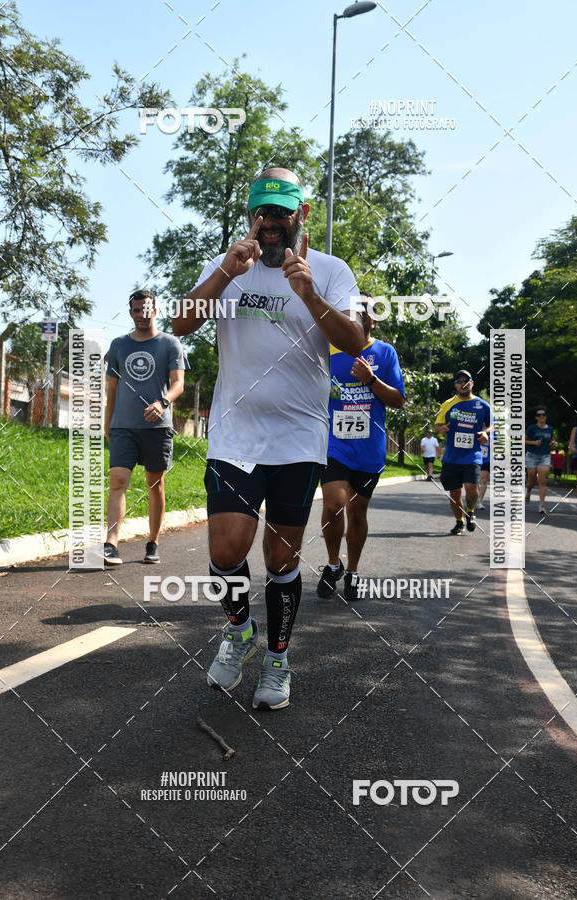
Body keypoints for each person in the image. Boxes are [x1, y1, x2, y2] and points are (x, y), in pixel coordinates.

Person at [173, 167, 363, 710]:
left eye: (281, 212)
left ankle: (278, 660)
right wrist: (223, 274)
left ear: (302, 213)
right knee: (225, 550)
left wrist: (310, 295)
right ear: (250, 214)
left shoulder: (330, 270)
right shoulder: (229, 264)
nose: (271, 222)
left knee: (281, 560)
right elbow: (181, 324)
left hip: (299, 439)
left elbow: (354, 341)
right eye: (262, 212)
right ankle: (239, 631)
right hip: (235, 436)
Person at [317, 296, 404, 602]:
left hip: (369, 448)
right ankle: (333, 564)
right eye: (352, 309)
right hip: (334, 443)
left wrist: (371, 379)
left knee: (357, 512)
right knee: (333, 504)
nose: (357, 313)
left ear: (373, 320)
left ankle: (352, 571)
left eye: (363, 310)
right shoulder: (328, 351)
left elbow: (398, 400)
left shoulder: (385, 352)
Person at [104, 289, 188, 565]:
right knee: (118, 481)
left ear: (155, 310)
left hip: (157, 427)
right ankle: (111, 544)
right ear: (131, 313)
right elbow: (112, 388)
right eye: (136, 310)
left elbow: (179, 384)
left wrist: (163, 402)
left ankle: (153, 542)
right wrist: (108, 422)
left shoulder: (170, 344)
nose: (142, 315)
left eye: (146, 309)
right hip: (123, 427)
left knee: (155, 484)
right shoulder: (118, 345)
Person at [435, 370, 492, 535]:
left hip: (472, 456)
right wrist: (441, 429)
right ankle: (459, 521)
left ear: (472, 383)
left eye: (466, 380)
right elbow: (437, 424)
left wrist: (486, 433)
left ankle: (471, 512)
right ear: (455, 385)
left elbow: (492, 424)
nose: (463, 383)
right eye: (459, 381)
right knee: (455, 493)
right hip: (452, 457)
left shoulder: (482, 405)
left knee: (471, 486)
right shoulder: (447, 404)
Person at [525, 406, 557, 515]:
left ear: (546, 416)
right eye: (539, 415)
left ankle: (542, 505)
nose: (542, 416)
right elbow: (523, 440)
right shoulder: (532, 428)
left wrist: (554, 443)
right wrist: (534, 443)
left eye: (543, 414)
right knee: (531, 481)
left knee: (542, 481)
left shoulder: (550, 428)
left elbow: (551, 440)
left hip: (545, 456)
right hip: (532, 456)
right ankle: (528, 491)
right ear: (536, 417)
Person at [477, 438, 491, 510]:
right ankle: (474, 497)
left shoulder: (494, 434)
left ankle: (479, 501)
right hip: (473, 458)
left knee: (483, 480)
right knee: (473, 481)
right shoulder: (475, 431)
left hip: (487, 460)